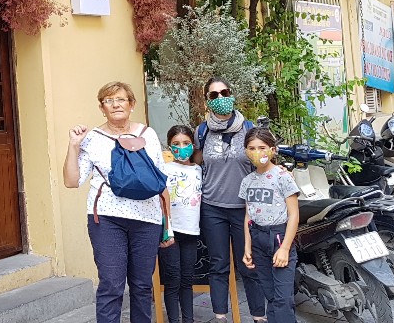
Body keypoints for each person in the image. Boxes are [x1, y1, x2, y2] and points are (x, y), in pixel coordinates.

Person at [63, 81, 171, 323]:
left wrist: (168, 226)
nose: (115, 105)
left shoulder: (148, 134)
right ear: (102, 108)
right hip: (107, 218)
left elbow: (161, 181)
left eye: (121, 99)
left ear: (131, 104)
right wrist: (73, 146)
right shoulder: (92, 138)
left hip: (147, 218)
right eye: (109, 101)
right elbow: (71, 181)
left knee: (142, 285)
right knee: (111, 284)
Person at [193, 77, 266, 323]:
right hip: (212, 207)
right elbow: (196, 163)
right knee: (218, 265)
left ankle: (259, 316)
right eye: (214, 95)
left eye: (224, 92)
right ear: (207, 101)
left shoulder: (248, 129)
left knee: (249, 264)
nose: (220, 98)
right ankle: (220, 316)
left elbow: (263, 162)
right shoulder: (202, 132)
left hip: (244, 208)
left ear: (232, 94)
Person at [241, 125, 300, 323]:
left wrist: (285, 248)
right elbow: (248, 215)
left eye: (262, 148)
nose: (257, 152)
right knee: (271, 296)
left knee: (283, 299)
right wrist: (247, 247)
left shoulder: (283, 177)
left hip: (279, 237)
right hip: (257, 239)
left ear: (272, 150)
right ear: (246, 151)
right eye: (252, 148)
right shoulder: (247, 181)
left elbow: (293, 214)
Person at [158, 125, 203, 323]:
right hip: (171, 232)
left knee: (187, 280)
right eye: (176, 144)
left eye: (186, 143)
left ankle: (188, 319)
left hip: (191, 232)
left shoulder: (199, 169)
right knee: (172, 280)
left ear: (193, 145)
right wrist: (164, 231)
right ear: (170, 146)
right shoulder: (164, 168)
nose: (182, 148)